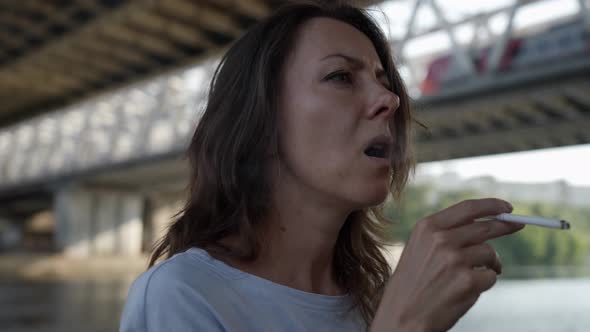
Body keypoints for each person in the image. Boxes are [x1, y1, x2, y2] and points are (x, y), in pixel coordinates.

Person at [119, 1, 526, 331]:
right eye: (341, 77)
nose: (390, 99)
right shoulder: (183, 296)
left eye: (385, 81)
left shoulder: (371, 300)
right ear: (261, 119)